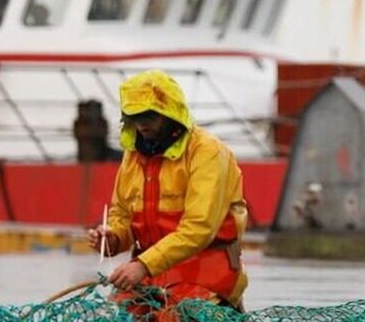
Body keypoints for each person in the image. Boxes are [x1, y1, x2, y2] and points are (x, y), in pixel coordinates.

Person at [87, 69, 249, 313]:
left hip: (205, 274)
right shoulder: (132, 156)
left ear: (170, 114)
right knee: (112, 316)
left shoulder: (208, 152)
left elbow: (199, 228)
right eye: (135, 116)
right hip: (148, 276)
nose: (141, 124)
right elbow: (121, 214)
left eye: (149, 116)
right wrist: (113, 238)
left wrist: (143, 265)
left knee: (175, 317)